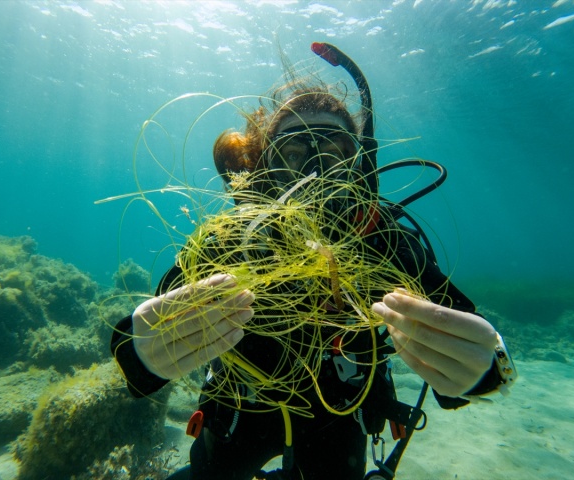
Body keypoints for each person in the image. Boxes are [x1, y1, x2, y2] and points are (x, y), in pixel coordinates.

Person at [111, 43, 516, 480]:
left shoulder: (379, 238)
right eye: (294, 153)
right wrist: (138, 355)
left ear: (359, 166)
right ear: (266, 167)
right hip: (239, 411)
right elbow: (157, 317)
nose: (315, 174)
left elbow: (459, 327)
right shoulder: (234, 238)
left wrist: (487, 371)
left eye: (334, 152)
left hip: (341, 416)